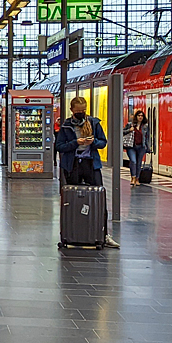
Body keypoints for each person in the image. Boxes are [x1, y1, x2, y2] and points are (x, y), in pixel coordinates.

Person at [55, 95, 120, 248]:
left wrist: (93, 142)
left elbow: (103, 142)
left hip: (91, 164)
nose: (81, 113)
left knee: (99, 198)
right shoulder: (66, 126)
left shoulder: (94, 123)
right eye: (78, 111)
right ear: (72, 110)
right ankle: (73, 232)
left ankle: (102, 234)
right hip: (73, 165)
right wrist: (75, 143)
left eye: (83, 110)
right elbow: (60, 146)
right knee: (72, 199)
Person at [124, 108, 149, 187]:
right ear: (136, 117)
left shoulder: (145, 126)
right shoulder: (130, 124)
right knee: (133, 161)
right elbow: (122, 132)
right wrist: (129, 130)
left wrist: (148, 147)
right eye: (139, 115)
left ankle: (137, 179)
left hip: (141, 147)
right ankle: (133, 177)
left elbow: (147, 137)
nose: (140, 117)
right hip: (131, 146)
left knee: (139, 163)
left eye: (142, 116)